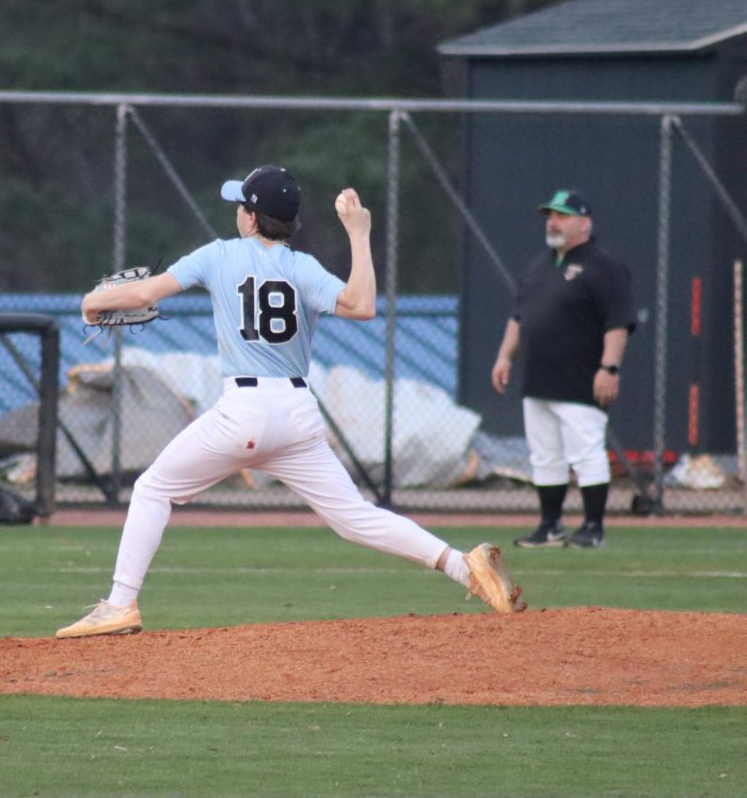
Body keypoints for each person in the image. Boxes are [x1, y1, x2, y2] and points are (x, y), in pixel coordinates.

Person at [57, 165, 526, 639]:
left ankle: (120, 605)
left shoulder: (219, 255)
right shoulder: (302, 267)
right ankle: (464, 568)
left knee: (153, 489)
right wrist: (359, 234)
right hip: (298, 415)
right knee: (354, 517)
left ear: (252, 218)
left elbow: (146, 291)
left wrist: (94, 301)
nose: (238, 212)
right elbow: (363, 306)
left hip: (243, 410)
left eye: (242, 205)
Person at [491, 190, 634, 549]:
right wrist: (504, 357)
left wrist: (609, 368)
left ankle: (593, 527)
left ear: (584, 223)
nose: (553, 222)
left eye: (563, 215)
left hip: (581, 380)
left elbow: (618, 323)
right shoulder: (539, 266)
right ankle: (549, 526)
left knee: (586, 453)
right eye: (550, 215)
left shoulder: (604, 267)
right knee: (545, 456)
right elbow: (519, 316)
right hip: (539, 380)